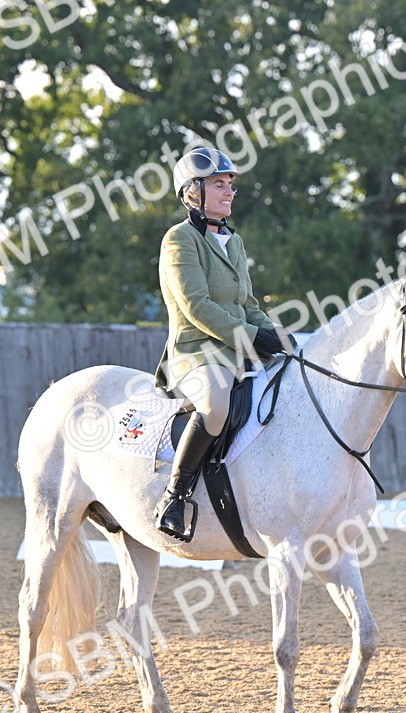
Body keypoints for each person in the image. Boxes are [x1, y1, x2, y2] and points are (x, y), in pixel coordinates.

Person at [152, 147, 291, 541]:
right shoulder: (179, 239)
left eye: (230, 184)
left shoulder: (234, 240)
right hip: (195, 352)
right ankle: (175, 496)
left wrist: (276, 335)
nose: (229, 191)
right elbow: (197, 306)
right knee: (215, 405)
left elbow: (247, 304)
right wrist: (252, 337)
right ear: (193, 192)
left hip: (237, 348)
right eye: (218, 184)